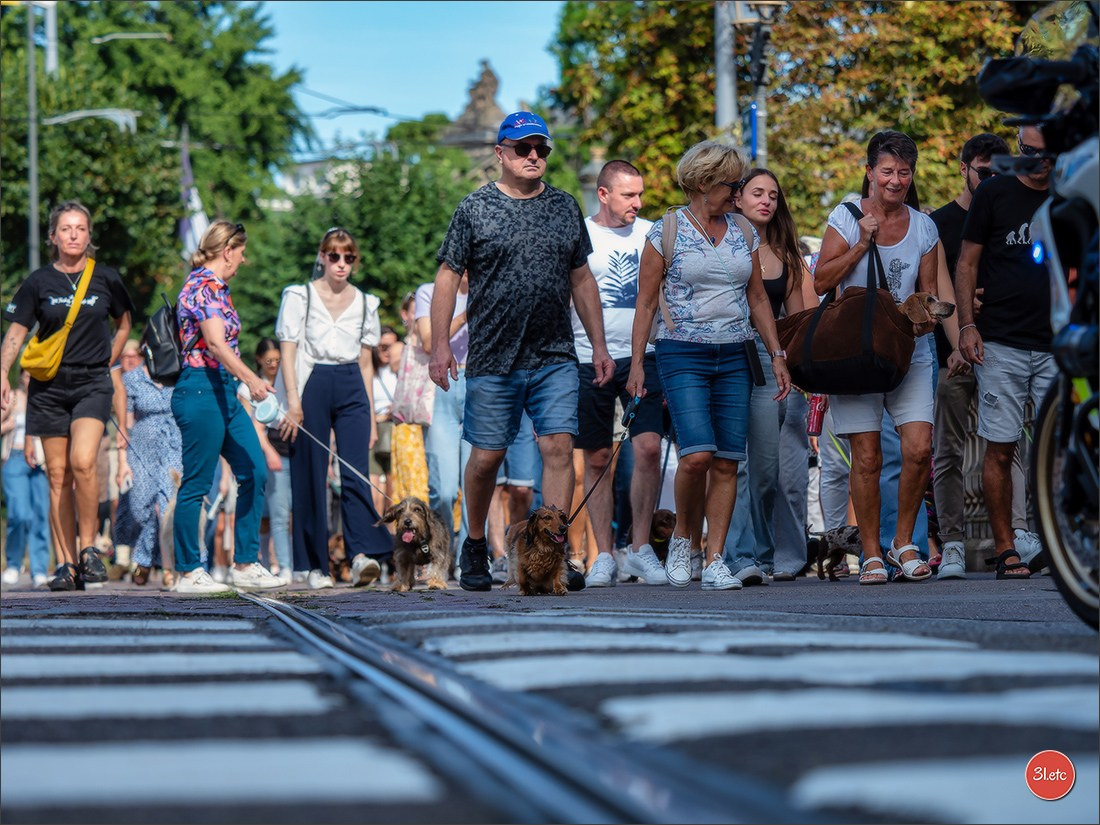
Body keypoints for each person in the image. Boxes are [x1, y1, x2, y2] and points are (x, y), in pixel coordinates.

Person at [429, 110, 615, 592]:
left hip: (554, 355)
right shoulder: (474, 209)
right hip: (493, 357)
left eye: (541, 149)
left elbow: (581, 278)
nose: (534, 156)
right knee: (487, 457)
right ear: (501, 153)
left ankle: (553, 555)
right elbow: (448, 276)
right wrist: (439, 348)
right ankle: (474, 543)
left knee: (557, 448)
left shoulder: (564, 207)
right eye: (523, 148)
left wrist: (597, 345)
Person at [628, 140, 792, 591]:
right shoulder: (666, 231)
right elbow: (645, 305)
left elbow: (757, 297)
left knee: (726, 460)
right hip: (683, 352)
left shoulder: (743, 231)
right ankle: (684, 537)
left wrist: (777, 354)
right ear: (703, 184)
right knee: (697, 455)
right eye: (731, 184)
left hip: (736, 353)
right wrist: (638, 363)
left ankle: (716, 557)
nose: (737, 192)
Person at [814, 130, 939, 585]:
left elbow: (926, 293)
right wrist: (861, 245)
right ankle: (869, 552)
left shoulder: (924, 226)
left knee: (919, 448)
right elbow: (820, 280)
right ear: (869, 173)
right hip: (856, 350)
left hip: (909, 350)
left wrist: (930, 317)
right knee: (865, 457)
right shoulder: (846, 216)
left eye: (904, 172)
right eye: (887, 171)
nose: (896, 180)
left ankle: (902, 541)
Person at [1, 200, 134, 591]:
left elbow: (124, 323)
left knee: (82, 462)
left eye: (80, 228)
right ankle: (65, 564)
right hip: (48, 387)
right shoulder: (39, 282)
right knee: (57, 474)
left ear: (89, 236)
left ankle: (89, 550)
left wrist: (107, 358)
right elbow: (15, 335)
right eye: (66, 229)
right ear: (53, 237)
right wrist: (3, 375)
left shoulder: (106, 279)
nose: (73, 235)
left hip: (92, 384)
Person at [929, 133, 1034, 580]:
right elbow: (939, 289)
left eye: (999, 171)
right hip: (953, 350)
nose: (992, 179)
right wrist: (957, 343)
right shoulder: (939, 223)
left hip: (1002, 344)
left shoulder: (1010, 209)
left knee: (1008, 447)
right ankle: (952, 542)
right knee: (946, 451)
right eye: (984, 171)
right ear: (963, 168)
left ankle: (1019, 535)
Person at [956, 125, 1057, 580]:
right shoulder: (994, 192)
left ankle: (1065, 542)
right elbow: (967, 263)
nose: (1039, 164)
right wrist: (967, 325)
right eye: (1029, 153)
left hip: (1060, 342)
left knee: (1066, 445)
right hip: (1001, 341)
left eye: (1048, 155)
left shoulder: (1076, 192)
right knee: (1001, 447)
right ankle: (1006, 547)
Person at [170, 220, 283, 594]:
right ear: (228, 250)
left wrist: (241, 384)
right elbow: (216, 345)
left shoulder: (221, 289)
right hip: (200, 391)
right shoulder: (202, 286)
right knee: (198, 482)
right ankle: (188, 571)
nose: (243, 258)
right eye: (241, 251)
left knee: (254, 469)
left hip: (225, 391)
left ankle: (247, 563)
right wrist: (252, 380)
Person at [277, 227, 392, 590]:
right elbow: (288, 349)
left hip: (351, 384)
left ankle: (361, 556)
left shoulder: (365, 302)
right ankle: (316, 565)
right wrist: (293, 402)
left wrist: (371, 415)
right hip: (313, 381)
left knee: (356, 472)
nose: (341, 263)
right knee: (310, 472)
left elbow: (366, 362)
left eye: (348, 257)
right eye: (334, 255)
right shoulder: (300, 296)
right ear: (322, 257)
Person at [570, 160, 667, 588]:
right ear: (603, 194)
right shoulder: (581, 235)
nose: (638, 203)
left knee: (647, 448)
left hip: (643, 354)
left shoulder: (654, 232)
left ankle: (640, 548)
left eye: (640, 194)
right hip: (587, 354)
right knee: (595, 458)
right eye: (629, 195)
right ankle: (604, 554)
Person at [722, 168, 817, 586]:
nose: (766, 201)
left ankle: (764, 552)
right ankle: (738, 555)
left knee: (766, 470)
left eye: (773, 196)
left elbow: (800, 320)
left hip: (772, 359)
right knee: (732, 464)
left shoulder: (787, 254)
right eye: (757, 193)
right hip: (724, 353)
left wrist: (804, 375)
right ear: (737, 197)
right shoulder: (719, 242)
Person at [115, 343, 183, 586]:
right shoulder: (131, 379)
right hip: (141, 448)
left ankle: (166, 568)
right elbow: (124, 424)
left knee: (166, 505)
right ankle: (146, 558)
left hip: (173, 444)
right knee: (140, 508)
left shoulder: (178, 375)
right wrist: (122, 462)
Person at [416, 275, 471, 557]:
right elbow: (428, 342)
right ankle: (443, 552)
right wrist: (467, 314)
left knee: (476, 482)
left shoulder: (492, 284)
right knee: (445, 489)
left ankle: (469, 556)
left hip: (481, 383)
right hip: (442, 388)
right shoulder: (429, 291)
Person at [240, 337, 292, 583]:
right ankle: (280, 565)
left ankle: (282, 562)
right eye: (269, 360)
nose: (274, 365)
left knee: (285, 512)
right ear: (259, 360)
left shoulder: (286, 381)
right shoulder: (248, 387)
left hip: (290, 448)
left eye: (278, 360)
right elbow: (250, 424)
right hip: (268, 452)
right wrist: (269, 451)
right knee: (273, 514)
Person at [1, 370, 51, 588]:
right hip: (15, 456)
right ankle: (13, 563)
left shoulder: (48, 398)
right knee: (19, 513)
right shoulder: (11, 397)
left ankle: (39, 568)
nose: (30, 378)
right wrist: (6, 424)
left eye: (35, 374)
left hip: (41, 460)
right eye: (27, 375)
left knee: (40, 514)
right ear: (21, 376)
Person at [370, 325, 400, 515]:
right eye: (383, 346)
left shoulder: (398, 371)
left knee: (392, 490)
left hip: (394, 429)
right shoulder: (369, 371)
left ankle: (391, 538)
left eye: (391, 346)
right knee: (374, 492)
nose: (387, 351)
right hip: (372, 429)